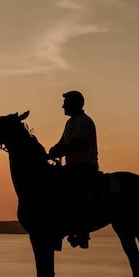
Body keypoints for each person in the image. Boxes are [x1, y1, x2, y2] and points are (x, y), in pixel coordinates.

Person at [48, 90, 99, 249]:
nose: (63, 106)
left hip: (84, 167)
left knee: (73, 194)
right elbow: (62, 143)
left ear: (74, 104)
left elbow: (74, 144)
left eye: (66, 102)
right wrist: (50, 152)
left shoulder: (83, 122)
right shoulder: (70, 123)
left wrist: (58, 152)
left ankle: (82, 233)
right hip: (73, 167)